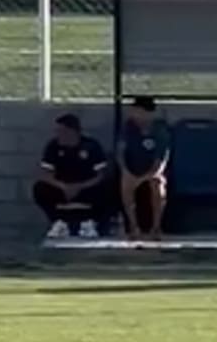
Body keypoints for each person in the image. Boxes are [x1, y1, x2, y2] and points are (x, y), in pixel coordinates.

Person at [32, 113, 112, 239]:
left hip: (86, 187)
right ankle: (59, 223)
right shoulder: (53, 146)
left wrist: (79, 187)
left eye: (61, 131)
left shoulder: (91, 146)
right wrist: (64, 187)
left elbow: (101, 175)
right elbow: (45, 174)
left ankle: (91, 223)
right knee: (40, 188)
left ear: (72, 131)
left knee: (108, 188)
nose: (58, 134)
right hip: (62, 188)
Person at [119, 96, 170, 241]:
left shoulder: (160, 130)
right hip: (133, 169)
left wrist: (142, 179)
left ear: (150, 113)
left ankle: (156, 227)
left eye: (140, 112)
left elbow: (160, 163)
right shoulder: (128, 127)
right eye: (134, 111)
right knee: (125, 184)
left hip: (152, 171)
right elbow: (120, 152)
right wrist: (126, 171)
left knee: (158, 184)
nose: (136, 115)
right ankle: (134, 227)